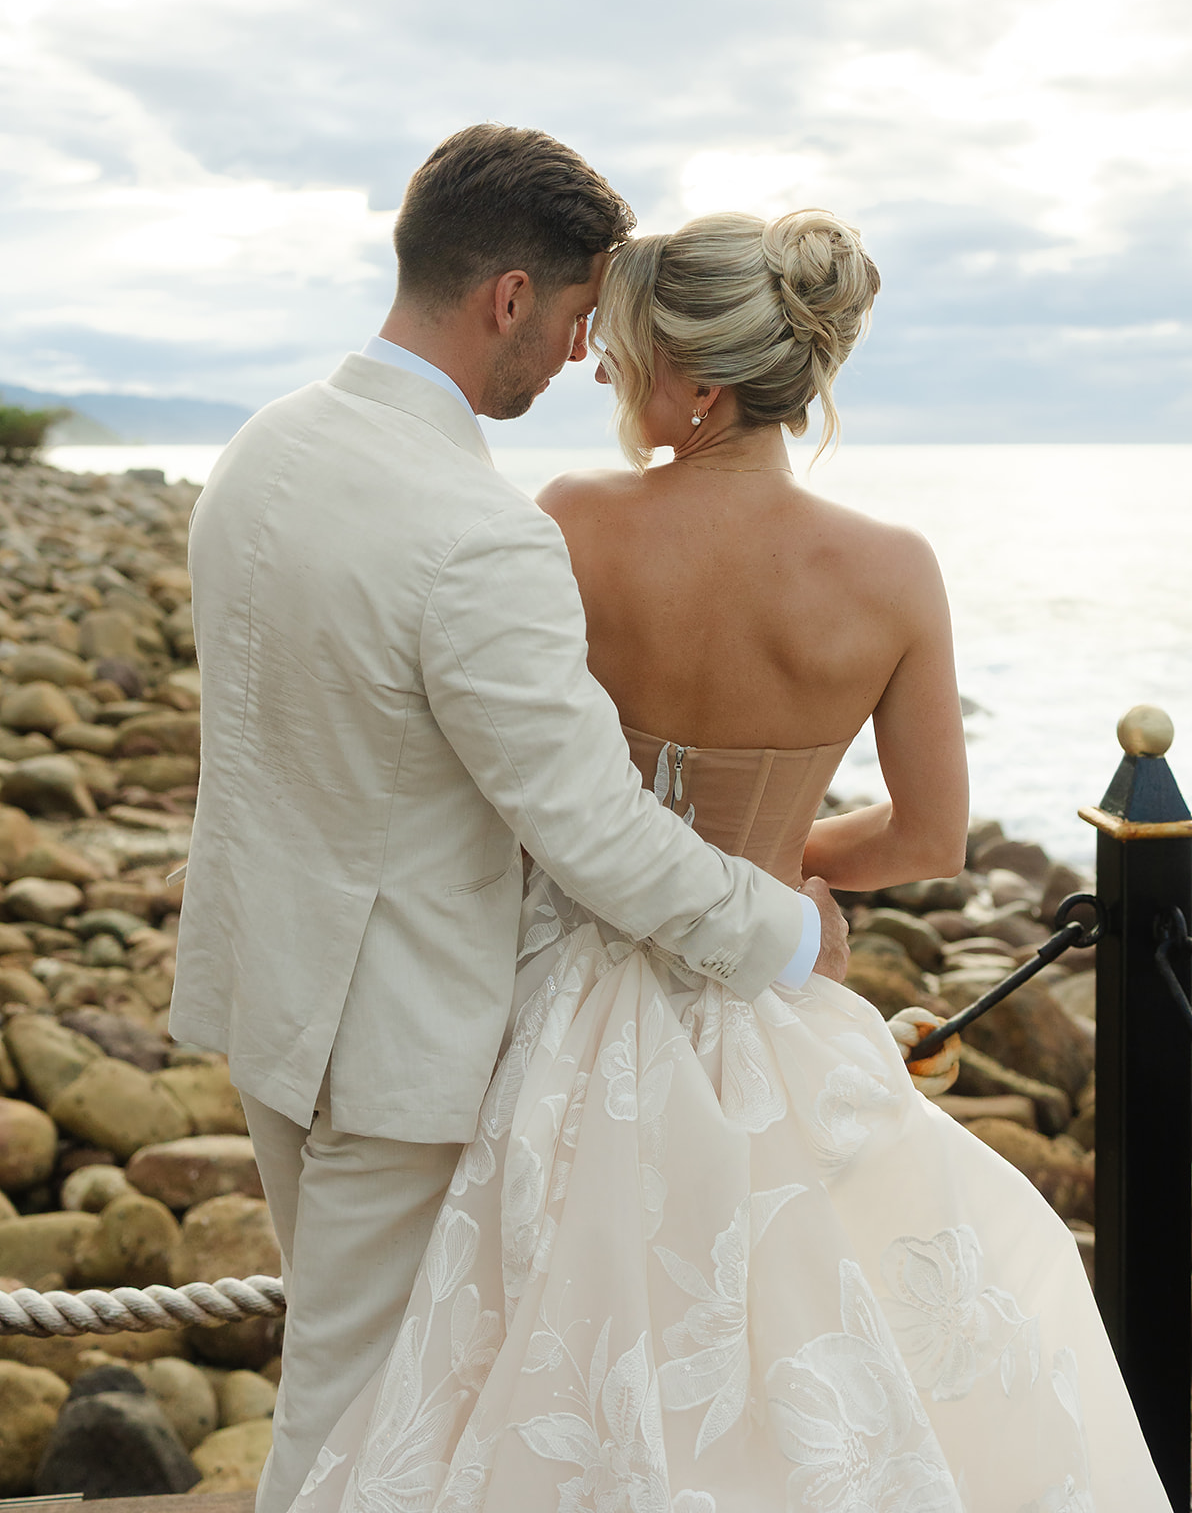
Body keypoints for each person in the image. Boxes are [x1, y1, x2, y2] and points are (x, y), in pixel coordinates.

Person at [289, 210, 1170, 1511]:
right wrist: (773, 863)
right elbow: (927, 836)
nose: (605, 375)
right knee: (822, 1334)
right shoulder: (893, 570)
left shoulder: (576, 523)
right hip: (766, 999)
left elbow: (533, 783)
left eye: (630, 352)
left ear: (700, 385)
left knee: (533, 1341)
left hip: (555, 1003)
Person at [169, 128, 856, 1513]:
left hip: (266, 981)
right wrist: (785, 933)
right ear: (505, 300)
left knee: (364, 1377)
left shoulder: (265, 445)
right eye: (571, 320)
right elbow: (591, 828)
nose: (577, 360)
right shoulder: (477, 534)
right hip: (394, 1039)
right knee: (356, 1418)